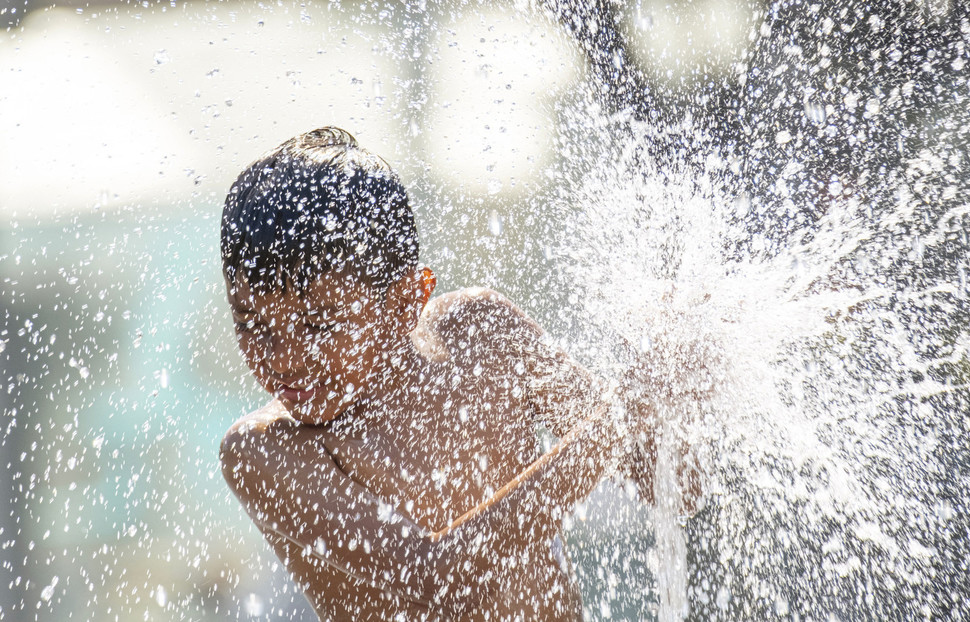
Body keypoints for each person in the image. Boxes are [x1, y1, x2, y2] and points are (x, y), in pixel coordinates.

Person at [218, 127, 666, 620]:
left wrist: (671, 374)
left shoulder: (485, 335)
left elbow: (667, 486)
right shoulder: (266, 450)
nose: (282, 357)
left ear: (407, 301)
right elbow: (436, 580)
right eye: (253, 325)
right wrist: (621, 415)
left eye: (320, 324)